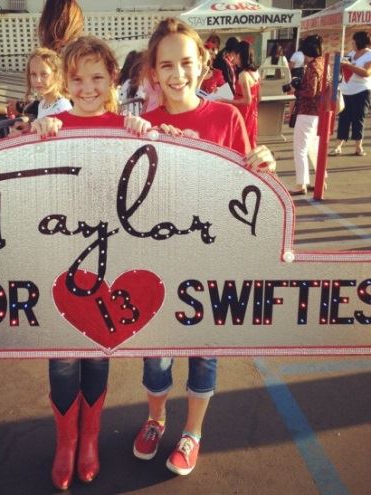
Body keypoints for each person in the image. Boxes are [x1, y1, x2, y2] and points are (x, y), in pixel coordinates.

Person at [123, 17, 253, 478]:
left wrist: (264, 164)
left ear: (203, 65)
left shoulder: (226, 117)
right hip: (155, 263)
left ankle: (192, 432)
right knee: (155, 356)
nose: (177, 73)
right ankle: (156, 419)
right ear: (153, 73)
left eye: (186, 62)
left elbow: (247, 192)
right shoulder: (141, 126)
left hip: (209, 260)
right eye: (166, 65)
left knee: (203, 353)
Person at [31, 36, 124, 491]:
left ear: (112, 80)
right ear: (65, 81)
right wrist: (38, 137)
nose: (87, 88)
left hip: (111, 259)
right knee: (64, 355)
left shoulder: (129, 126)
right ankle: (66, 442)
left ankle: (91, 438)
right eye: (77, 78)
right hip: (60, 259)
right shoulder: (52, 124)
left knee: (98, 349)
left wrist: (152, 135)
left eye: (97, 78)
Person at [289, 35, 325, 195]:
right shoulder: (323, 63)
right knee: (313, 148)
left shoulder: (312, 67)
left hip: (307, 111)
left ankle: (301, 183)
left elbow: (310, 92)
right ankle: (320, 179)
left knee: (300, 149)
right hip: (318, 112)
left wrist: (296, 90)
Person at [9, 47, 71, 136]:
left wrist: (22, 136)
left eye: (44, 74)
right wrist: (28, 128)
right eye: (33, 74)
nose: (38, 80)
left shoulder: (62, 107)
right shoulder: (43, 103)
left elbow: (54, 140)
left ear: (57, 75)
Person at [329, 30, 371, 157]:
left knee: (358, 118)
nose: (352, 43)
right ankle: (338, 146)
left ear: (360, 42)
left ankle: (358, 146)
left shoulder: (369, 55)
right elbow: (342, 68)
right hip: (346, 91)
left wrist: (349, 66)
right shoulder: (351, 53)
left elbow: (367, 72)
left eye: (353, 41)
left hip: (361, 91)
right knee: (343, 118)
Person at [225, 40, 260, 148]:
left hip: (243, 114)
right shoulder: (255, 72)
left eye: (234, 55)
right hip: (253, 114)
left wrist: (226, 101)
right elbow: (258, 97)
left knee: (241, 144)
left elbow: (246, 100)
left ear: (239, 55)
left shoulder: (243, 75)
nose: (233, 59)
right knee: (250, 143)